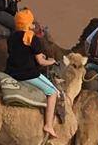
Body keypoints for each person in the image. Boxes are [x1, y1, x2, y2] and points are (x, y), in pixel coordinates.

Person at [7, 9, 60, 138]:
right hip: (27, 74)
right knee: (53, 92)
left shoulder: (11, 37)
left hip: (10, 72)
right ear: (28, 24)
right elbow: (41, 62)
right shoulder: (32, 38)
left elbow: (20, 53)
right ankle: (48, 124)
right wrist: (51, 61)